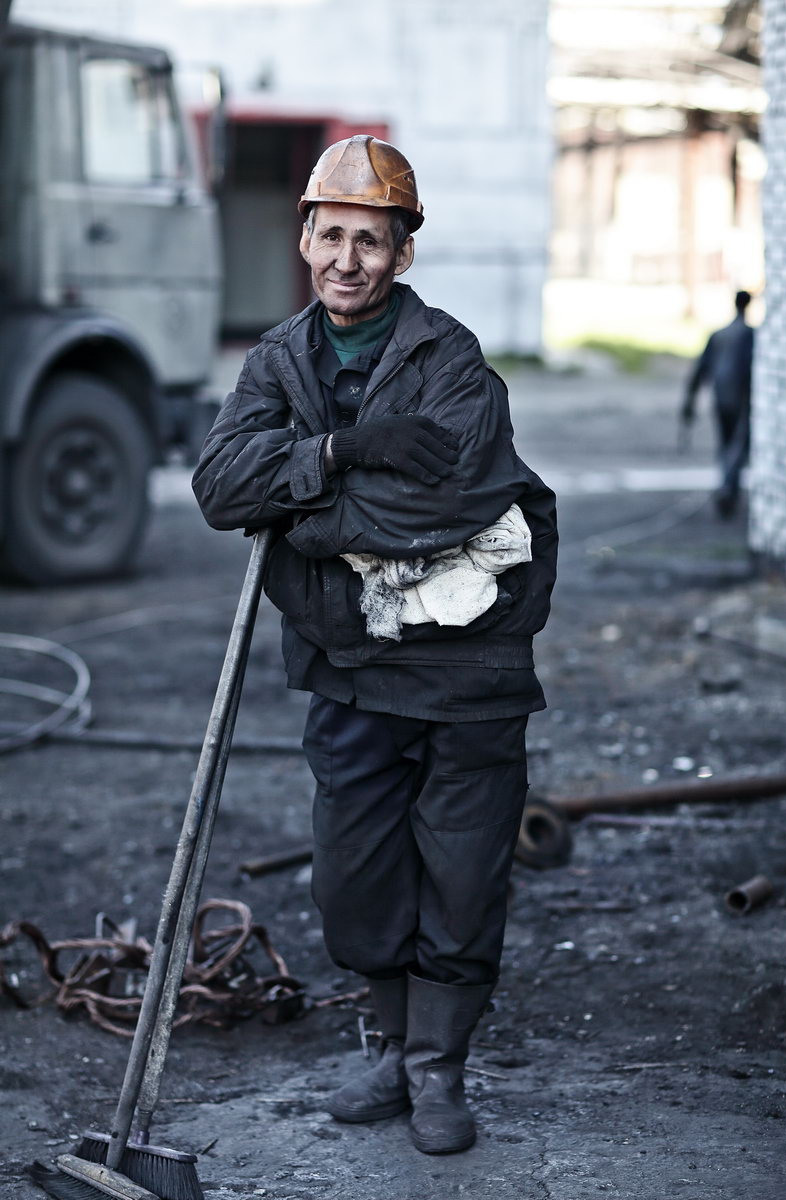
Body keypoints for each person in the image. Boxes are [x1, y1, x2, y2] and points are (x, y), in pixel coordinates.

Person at [192, 135, 557, 1155]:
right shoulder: (278, 361)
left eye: (372, 240)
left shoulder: (451, 362)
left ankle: (439, 1070)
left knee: (461, 871)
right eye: (332, 235)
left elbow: (440, 508)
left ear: (402, 253)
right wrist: (339, 449)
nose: (348, 260)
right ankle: (389, 1046)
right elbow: (220, 488)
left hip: (467, 672)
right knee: (354, 875)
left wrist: (300, 511)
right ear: (305, 238)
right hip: (348, 667)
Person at [681, 290, 755, 517]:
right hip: (741, 398)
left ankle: (727, 487)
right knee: (738, 446)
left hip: (722, 396)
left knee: (727, 445)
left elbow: (700, 371)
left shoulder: (719, 335)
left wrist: (689, 402)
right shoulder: (750, 336)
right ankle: (727, 487)